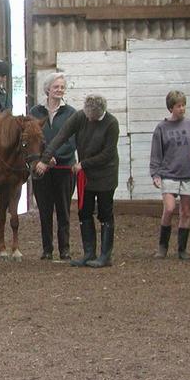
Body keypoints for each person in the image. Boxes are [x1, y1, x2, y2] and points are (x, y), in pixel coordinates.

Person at [34, 94, 119, 268]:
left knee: (105, 212)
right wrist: (45, 158)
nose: (89, 119)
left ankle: (105, 255)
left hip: (105, 174)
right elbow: (61, 136)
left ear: (99, 113)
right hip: (86, 175)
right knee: (84, 212)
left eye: (92, 117)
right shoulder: (80, 116)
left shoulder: (111, 123)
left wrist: (83, 164)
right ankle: (89, 253)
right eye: (87, 115)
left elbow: (108, 153)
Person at [149, 91, 190, 260]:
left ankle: (182, 249)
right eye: (178, 106)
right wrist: (155, 174)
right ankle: (162, 246)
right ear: (171, 108)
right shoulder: (161, 128)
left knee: (186, 211)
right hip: (169, 173)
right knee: (169, 208)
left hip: (189, 173)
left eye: (183, 105)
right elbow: (156, 153)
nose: (182, 108)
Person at [29, 73, 77, 261]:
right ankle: (47, 248)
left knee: (63, 209)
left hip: (63, 168)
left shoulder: (71, 113)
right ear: (48, 89)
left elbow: (71, 140)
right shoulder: (35, 111)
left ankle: (64, 248)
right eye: (56, 87)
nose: (59, 90)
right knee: (45, 209)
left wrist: (53, 156)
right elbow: (32, 138)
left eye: (62, 87)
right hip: (41, 168)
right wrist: (43, 159)